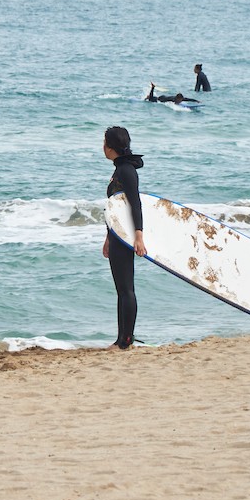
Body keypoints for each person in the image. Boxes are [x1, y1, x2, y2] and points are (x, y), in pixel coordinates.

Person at [101, 125, 146, 350]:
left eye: (104, 143)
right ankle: (121, 339)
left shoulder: (127, 170)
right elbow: (116, 208)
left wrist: (139, 236)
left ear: (111, 147)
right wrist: (108, 237)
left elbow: (135, 204)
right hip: (117, 236)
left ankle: (126, 341)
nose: (102, 147)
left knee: (126, 289)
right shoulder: (120, 168)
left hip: (126, 237)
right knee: (122, 289)